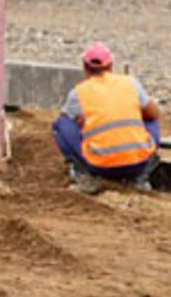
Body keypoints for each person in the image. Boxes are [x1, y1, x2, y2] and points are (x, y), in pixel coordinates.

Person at [53, 42, 161, 193]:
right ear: (111, 66)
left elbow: (71, 124)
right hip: (137, 164)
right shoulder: (130, 83)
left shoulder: (79, 93)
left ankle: (84, 176)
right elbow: (154, 114)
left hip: (100, 166)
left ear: (85, 68)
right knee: (150, 117)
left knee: (61, 124)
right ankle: (140, 179)